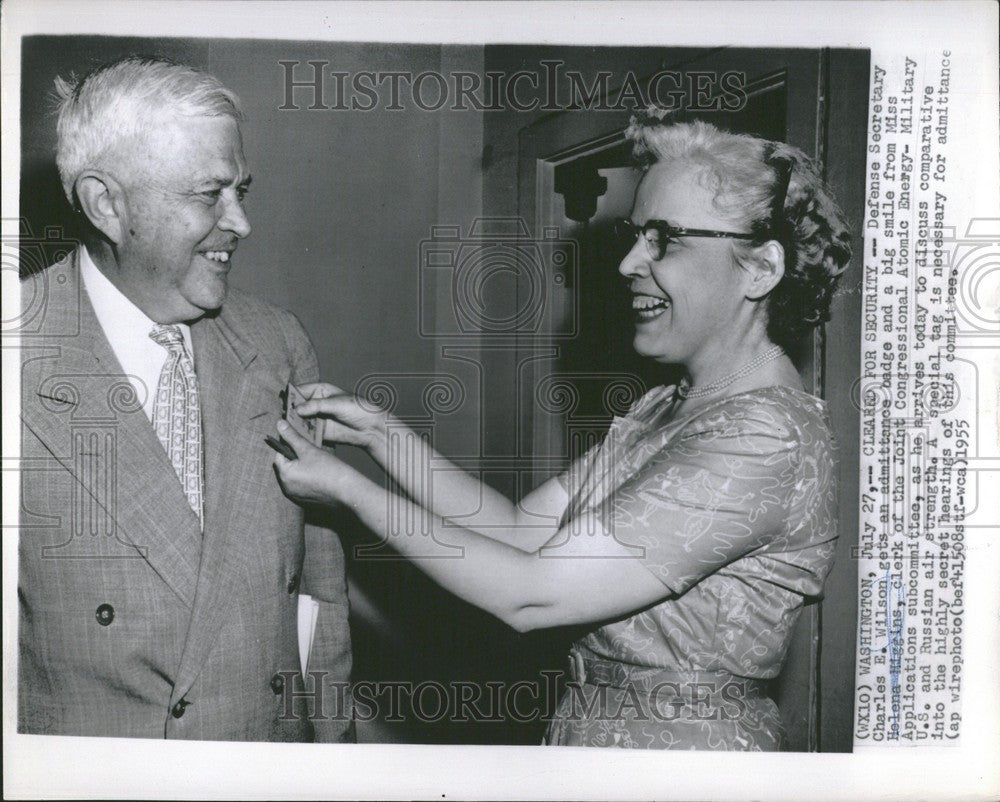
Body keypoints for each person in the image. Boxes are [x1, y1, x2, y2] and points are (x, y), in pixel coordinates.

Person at [273, 117, 852, 750]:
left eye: (666, 240)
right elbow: (520, 530)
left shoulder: (766, 437)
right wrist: (382, 437)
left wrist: (350, 494)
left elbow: (530, 596)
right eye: (637, 236)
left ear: (761, 268)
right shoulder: (670, 407)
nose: (630, 262)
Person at [18, 56, 353, 742]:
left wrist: (333, 755)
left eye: (242, 190)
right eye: (209, 194)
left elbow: (321, 591)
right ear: (107, 204)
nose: (242, 223)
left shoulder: (277, 342)